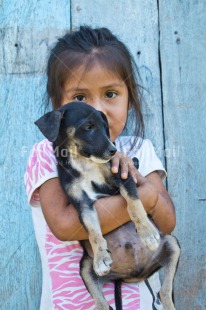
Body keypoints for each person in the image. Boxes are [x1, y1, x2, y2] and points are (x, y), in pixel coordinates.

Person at [24, 26, 176, 310]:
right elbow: (66, 226)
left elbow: (167, 224)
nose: (98, 110)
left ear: (129, 98)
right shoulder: (46, 155)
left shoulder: (140, 150)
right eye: (80, 98)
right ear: (59, 108)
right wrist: (140, 200)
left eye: (110, 94)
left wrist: (144, 188)